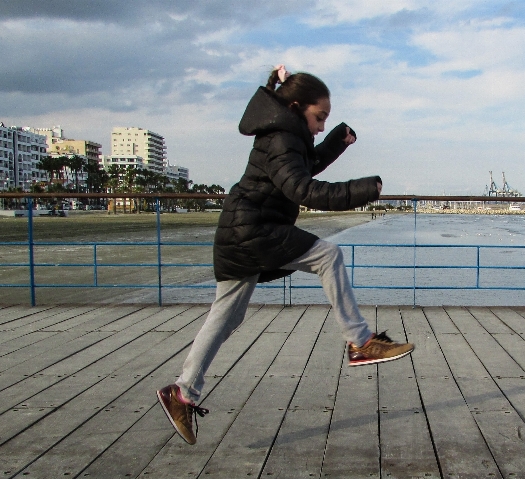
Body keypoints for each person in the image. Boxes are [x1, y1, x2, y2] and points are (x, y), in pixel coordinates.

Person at [158, 65, 414, 445]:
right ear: (296, 107)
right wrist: (362, 190)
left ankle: (181, 393)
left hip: (241, 232)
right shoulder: (282, 138)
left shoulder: (285, 134)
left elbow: (303, 166)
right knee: (329, 256)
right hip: (255, 230)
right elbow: (302, 188)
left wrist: (337, 143)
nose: (320, 127)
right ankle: (360, 342)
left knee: (226, 317)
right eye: (319, 118)